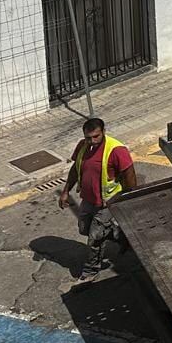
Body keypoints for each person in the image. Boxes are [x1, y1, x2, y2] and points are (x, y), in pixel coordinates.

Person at [57, 116, 137, 277]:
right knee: (84, 229)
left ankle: (90, 270)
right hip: (88, 199)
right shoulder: (82, 146)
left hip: (108, 202)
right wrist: (66, 191)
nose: (92, 141)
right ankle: (122, 237)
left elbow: (130, 176)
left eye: (96, 136)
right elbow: (75, 168)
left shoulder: (116, 150)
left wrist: (130, 200)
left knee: (95, 237)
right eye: (88, 137)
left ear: (103, 132)